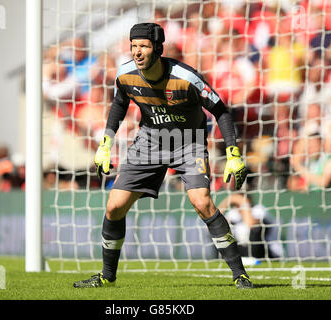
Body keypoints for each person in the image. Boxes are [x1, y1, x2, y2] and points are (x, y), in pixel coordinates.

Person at [73, 23, 252, 289]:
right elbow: (120, 104)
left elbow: (221, 111)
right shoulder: (125, 74)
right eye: (133, 46)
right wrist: (106, 142)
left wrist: (233, 153)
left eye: (143, 46)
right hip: (149, 142)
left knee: (202, 202)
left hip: (187, 142)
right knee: (114, 206)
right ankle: (106, 277)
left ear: (158, 48)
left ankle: (240, 274)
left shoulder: (187, 78)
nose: (137, 52)